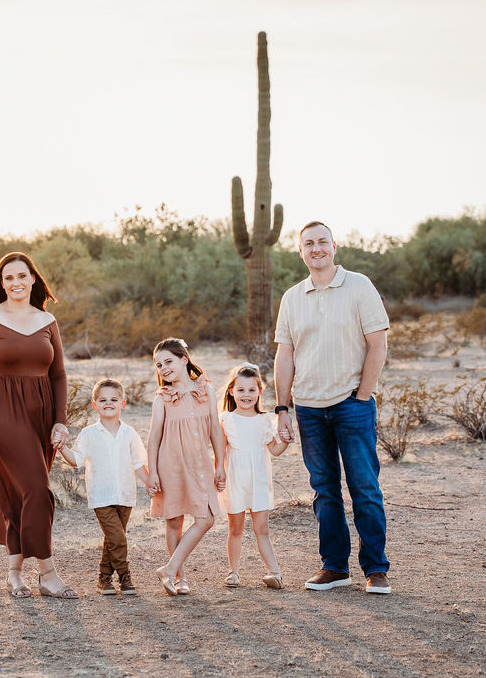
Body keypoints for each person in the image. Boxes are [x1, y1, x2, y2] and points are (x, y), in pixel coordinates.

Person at [273, 221, 393, 594]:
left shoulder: (359, 285)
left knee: (364, 487)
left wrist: (362, 395)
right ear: (301, 251)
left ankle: (376, 569)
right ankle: (335, 568)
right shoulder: (292, 297)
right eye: (308, 243)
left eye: (322, 241)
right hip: (309, 408)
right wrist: (282, 407)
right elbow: (285, 353)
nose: (316, 248)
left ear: (334, 246)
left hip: (351, 405)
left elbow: (378, 344)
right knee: (324, 489)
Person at [0, 251, 78, 599]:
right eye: (8, 278)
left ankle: (15, 572)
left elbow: (58, 374)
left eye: (21, 276)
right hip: (2, 411)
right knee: (36, 488)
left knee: (20, 494)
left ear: (33, 279)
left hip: (41, 413)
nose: (16, 283)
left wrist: (60, 421)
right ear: (2, 284)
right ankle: (48, 572)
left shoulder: (47, 321)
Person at [146, 337, 227, 596]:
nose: (164, 368)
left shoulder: (205, 391)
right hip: (170, 465)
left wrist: (220, 464)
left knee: (206, 518)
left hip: (200, 464)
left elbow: (216, 430)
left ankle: (169, 568)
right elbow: (154, 438)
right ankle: (177, 578)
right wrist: (153, 472)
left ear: (184, 360)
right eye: (159, 365)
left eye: (168, 361)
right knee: (174, 521)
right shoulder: (163, 398)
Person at [56, 378, 149, 596]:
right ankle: (125, 577)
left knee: (112, 539)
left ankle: (104, 578)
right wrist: (62, 448)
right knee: (118, 539)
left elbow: (138, 463)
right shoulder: (89, 434)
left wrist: (150, 482)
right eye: (103, 400)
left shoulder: (130, 433)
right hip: (101, 495)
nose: (109, 403)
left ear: (123, 404)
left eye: (114, 399)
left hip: (126, 495)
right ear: (95, 405)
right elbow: (76, 459)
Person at [219, 362, 289, 589]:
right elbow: (220, 452)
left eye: (251, 390)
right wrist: (218, 471)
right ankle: (233, 572)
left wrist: (286, 442)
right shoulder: (226, 419)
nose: (246, 395)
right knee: (236, 529)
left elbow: (275, 450)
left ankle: (274, 572)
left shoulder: (265, 420)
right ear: (231, 391)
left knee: (262, 529)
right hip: (236, 481)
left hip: (258, 481)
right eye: (241, 390)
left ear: (260, 391)